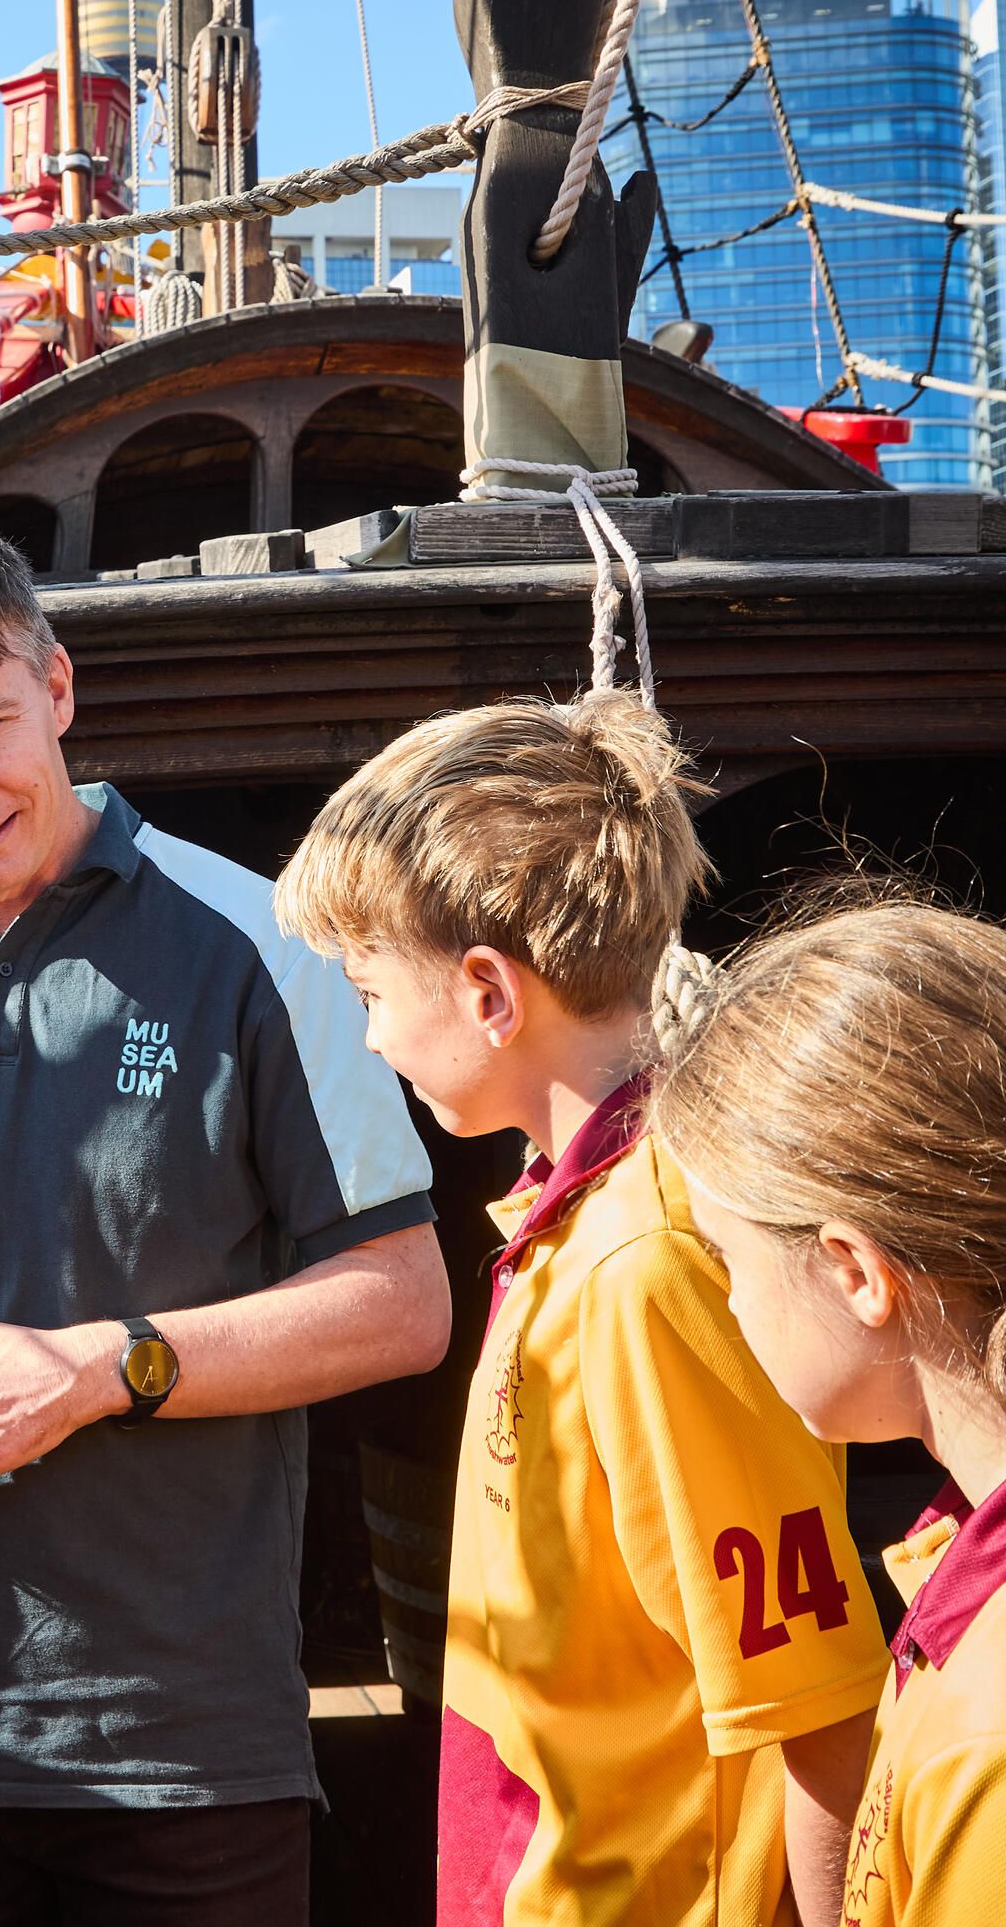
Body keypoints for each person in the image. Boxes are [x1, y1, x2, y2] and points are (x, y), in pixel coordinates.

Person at [0, 501, 450, 1923]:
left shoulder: (271, 943)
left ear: (60, 688)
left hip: (183, 1756)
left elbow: (404, 1304)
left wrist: (95, 1369)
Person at [273, 693, 888, 1927]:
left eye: (368, 986)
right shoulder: (579, 1223)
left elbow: (815, 1707)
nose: (369, 1029)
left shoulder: (646, 1261)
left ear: (489, 993)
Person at [651, 900, 1006, 1927]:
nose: (724, 1301)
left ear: (853, 1270)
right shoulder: (960, 1562)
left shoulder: (990, 1733)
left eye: (725, 1259)